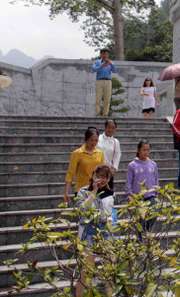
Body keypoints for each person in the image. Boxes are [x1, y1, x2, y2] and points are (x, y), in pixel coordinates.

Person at [74, 163, 114, 297]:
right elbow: (83, 210)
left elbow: (111, 215)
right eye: (99, 176)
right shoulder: (83, 191)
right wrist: (94, 192)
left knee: (110, 270)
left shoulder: (110, 193)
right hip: (89, 230)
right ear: (94, 176)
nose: (102, 180)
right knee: (86, 271)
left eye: (105, 178)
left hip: (105, 231)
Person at [125, 139, 159, 238]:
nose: (146, 152)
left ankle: (146, 231)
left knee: (154, 215)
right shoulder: (132, 165)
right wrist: (129, 195)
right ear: (138, 150)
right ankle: (140, 240)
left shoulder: (153, 164)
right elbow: (129, 181)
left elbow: (156, 180)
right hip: (138, 197)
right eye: (144, 150)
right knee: (140, 220)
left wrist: (156, 194)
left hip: (150, 195)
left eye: (148, 150)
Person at [64, 127, 106, 204]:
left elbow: (104, 173)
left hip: (97, 190)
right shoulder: (77, 153)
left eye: (96, 140)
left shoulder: (100, 153)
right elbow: (70, 173)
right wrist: (66, 192)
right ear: (85, 139)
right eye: (91, 140)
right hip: (81, 190)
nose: (93, 143)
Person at [97, 119, 121, 191]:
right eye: (109, 127)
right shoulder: (98, 138)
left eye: (113, 128)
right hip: (97, 170)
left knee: (107, 193)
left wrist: (114, 168)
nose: (111, 130)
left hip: (109, 172)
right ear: (105, 128)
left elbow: (117, 155)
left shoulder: (115, 142)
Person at [92, 48, 117, 116]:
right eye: (103, 54)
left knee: (107, 99)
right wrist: (101, 66)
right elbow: (94, 69)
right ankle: (97, 114)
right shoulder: (97, 62)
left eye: (106, 54)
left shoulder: (111, 62)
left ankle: (105, 114)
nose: (105, 56)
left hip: (108, 81)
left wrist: (111, 64)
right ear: (101, 54)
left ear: (107, 54)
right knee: (98, 99)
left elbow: (115, 71)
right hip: (99, 81)